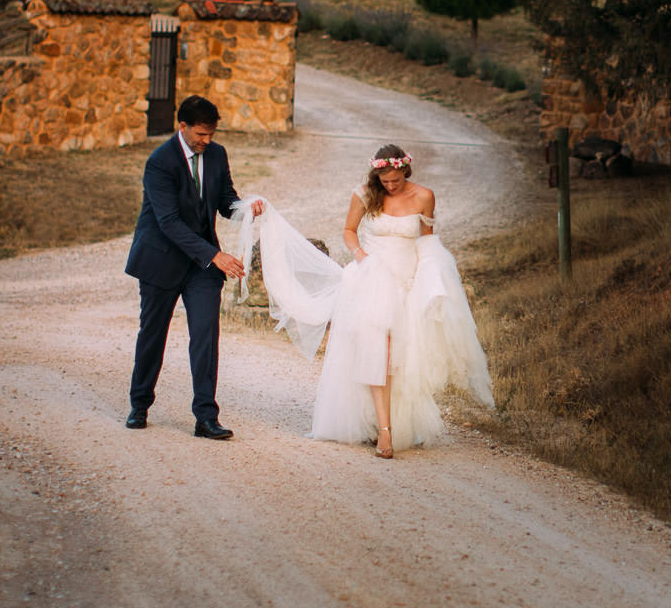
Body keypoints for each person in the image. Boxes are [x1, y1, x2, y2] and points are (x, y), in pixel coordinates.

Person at [230, 144, 494, 456]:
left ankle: (391, 421)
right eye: (384, 180)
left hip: (407, 281)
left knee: (403, 357)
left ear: (405, 171)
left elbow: (426, 240)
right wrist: (360, 256)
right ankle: (385, 431)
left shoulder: (424, 196)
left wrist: (432, 279)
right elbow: (348, 231)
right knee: (377, 352)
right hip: (371, 280)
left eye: (395, 180)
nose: (390, 186)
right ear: (376, 174)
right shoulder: (365, 194)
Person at [124, 95, 263, 439]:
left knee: (205, 336)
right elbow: (169, 222)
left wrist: (246, 208)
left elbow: (225, 200)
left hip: (201, 267)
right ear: (182, 126)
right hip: (161, 260)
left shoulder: (216, 154)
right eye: (201, 134)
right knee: (153, 335)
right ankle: (139, 404)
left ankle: (205, 417)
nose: (207, 141)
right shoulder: (159, 163)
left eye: (211, 134)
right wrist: (215, 256)